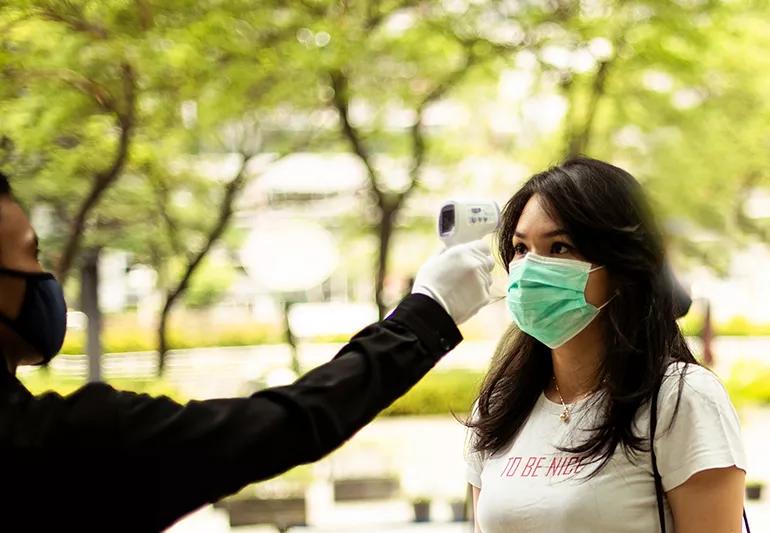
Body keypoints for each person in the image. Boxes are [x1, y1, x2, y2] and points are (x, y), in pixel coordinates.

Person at [0, 171, 495, 531]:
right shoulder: (60, 443)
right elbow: (287, 424)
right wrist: (426, 316)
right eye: (30, 254)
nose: (46, 276)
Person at [465, 157, 747, 533]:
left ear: (620, 268)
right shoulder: (499, 406)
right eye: (520, 248)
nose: (531, 268)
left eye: (560, 247)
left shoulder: (681, 398)